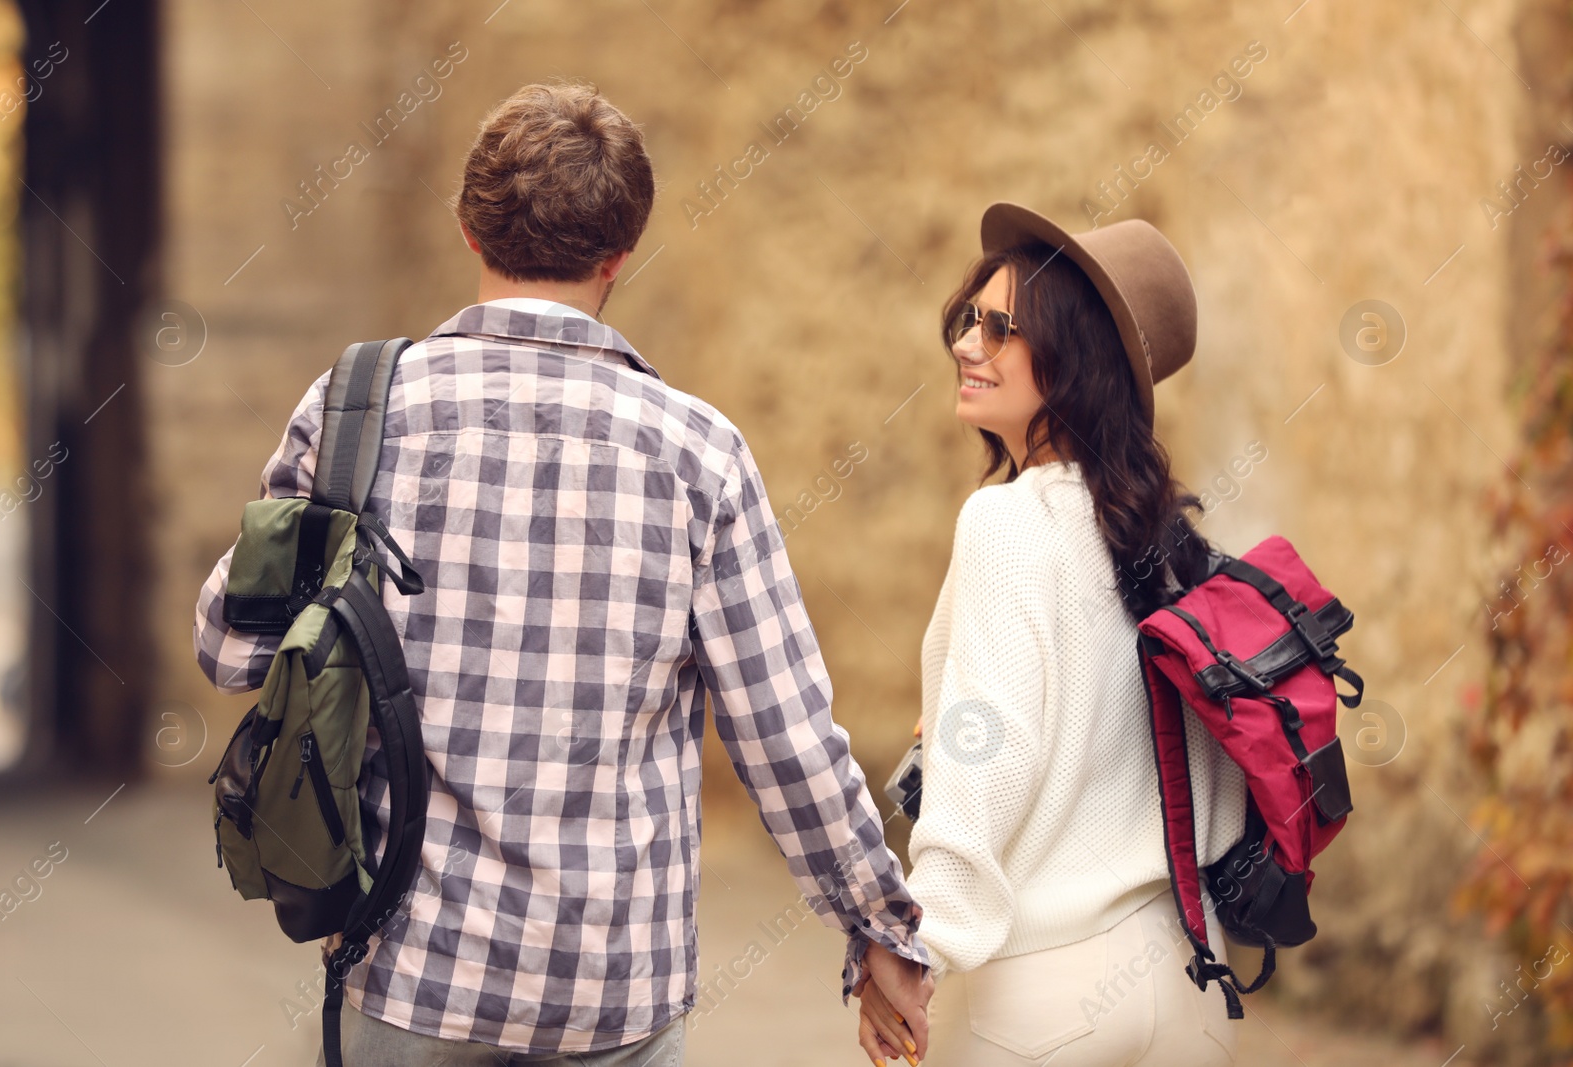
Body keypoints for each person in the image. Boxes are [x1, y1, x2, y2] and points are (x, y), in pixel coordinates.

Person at [193, 82, 934, 1066]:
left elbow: (230, 644)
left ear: (467, 227)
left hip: (411, 966)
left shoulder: (361, 409)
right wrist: (876, 925)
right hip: (609, 992)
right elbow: (785, 739)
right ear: (620, 253)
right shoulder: (699, 453)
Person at [855, 203, 1248, 1066]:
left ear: (1073, 363)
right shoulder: (1175, 544)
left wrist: (924, 940)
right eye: (971, 320)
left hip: (1044, 996)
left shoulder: (1006, 522)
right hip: (1192, 980)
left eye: (999, 329)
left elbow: (984, 744)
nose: (965, 344)